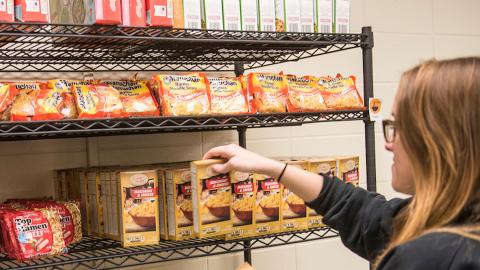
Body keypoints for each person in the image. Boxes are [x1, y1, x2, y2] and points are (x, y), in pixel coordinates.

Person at [204, 57, 480, 269]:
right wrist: (273, 168)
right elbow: (366, 214)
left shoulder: (431, 256)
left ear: (437, 141)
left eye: (398, 126)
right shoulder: (455, 218)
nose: (388, 142)